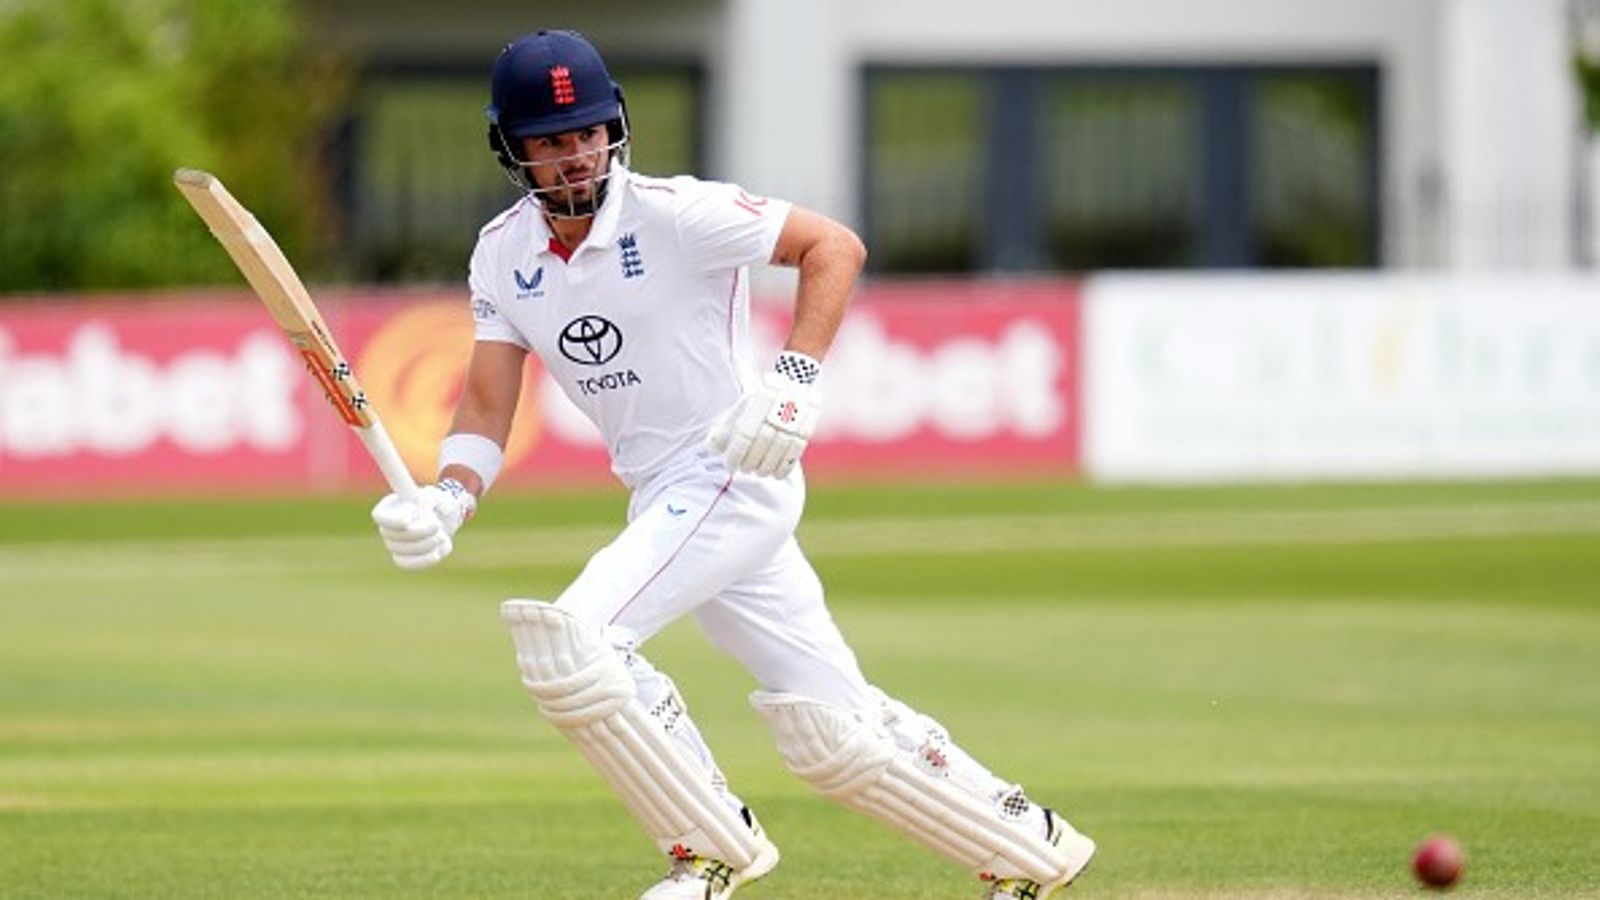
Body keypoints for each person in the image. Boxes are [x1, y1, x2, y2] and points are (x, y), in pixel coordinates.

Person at [370, 29, 1095, 900]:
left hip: (730, 472)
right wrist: (450, 496)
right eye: (551, 142)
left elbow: (835, 247)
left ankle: (711, 854)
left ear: (614, 128)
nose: (575, 158)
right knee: (836, 729)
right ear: (511, 149)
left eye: (589, 133)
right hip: (663, 495)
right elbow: (488, 402)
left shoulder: (677, 212)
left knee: (576, 644)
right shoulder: (502, 253)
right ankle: (1032, 848)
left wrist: (794, 381)